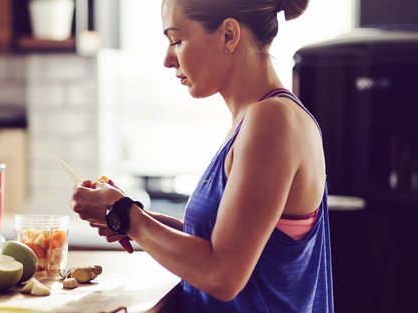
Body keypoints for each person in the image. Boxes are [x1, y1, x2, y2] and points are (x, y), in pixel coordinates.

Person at [70, 0, 334, 312]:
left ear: (228, 35)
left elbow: (222, 275)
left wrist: (126, 216)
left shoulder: (273, 121)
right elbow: (224, 244)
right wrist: (127, 214)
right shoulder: (255, 120)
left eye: (177, 40)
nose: (168, 59)